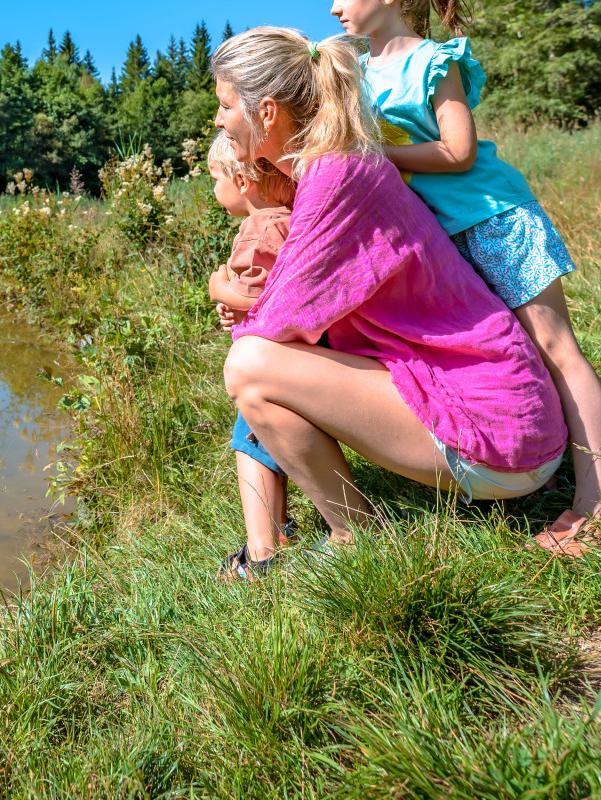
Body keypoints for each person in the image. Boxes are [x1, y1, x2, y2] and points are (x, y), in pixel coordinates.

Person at [323, 0, 601, 556]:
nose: (335, 6)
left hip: (493, 219)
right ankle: (533, 464)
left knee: (555, 347)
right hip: (437, 241)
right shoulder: (360, 73)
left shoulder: (433, 62)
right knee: (509, 352)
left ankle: (596, 503)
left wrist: (379, 154)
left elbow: (458, 153)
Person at [212, 27, 569, 547]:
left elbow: (276, 324)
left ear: (267, 113)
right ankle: (329, 532)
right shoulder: (339, 167)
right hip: (511, 424)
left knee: (249, 366)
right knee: (255, 366)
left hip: (499, 432)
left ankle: (352, 537)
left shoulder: (335, 175)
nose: (219, 120)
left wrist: (219, 288)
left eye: (225, 106)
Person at [203, 131, 296, 579]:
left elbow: (260, 294)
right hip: (290, 356)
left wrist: (219, 288)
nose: (213, 189)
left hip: (271, 362)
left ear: (242, 181)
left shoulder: (260, 226)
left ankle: (261, 558)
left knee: (251, 445)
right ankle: (280, 531)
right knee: (271, 445)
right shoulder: (291, 217)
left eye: (215, 178)